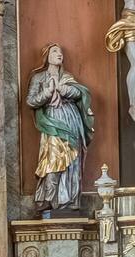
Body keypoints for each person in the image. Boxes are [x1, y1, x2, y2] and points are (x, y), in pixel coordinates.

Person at [25, 44, 95, 212]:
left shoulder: (67, 76)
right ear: (46, 56)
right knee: (53, 159)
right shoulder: (39, 77)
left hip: (71, 120)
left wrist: (62, 89)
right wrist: (48, 92)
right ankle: (50, 198)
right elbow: (31, 101)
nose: (59, 54)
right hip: (52, 121)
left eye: (61, 52)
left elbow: (80, 93)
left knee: (72, 160)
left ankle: (69, 200)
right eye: (54, 51)